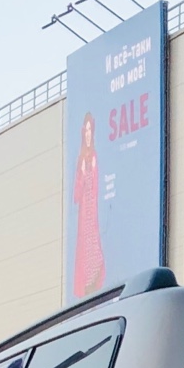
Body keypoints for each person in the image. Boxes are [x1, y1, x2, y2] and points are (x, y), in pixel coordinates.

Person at [72, 113, 106, 298]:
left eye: (90, 131)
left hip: (92, 211)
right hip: (83, 213)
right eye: (85, 131)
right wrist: (82, 175)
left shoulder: (94, 156)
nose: (87, 134)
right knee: (84, 247)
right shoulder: (80, 159)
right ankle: (85, 283)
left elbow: (96, 186)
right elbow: (76, 195)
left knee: (94, 245)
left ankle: (94, 280)